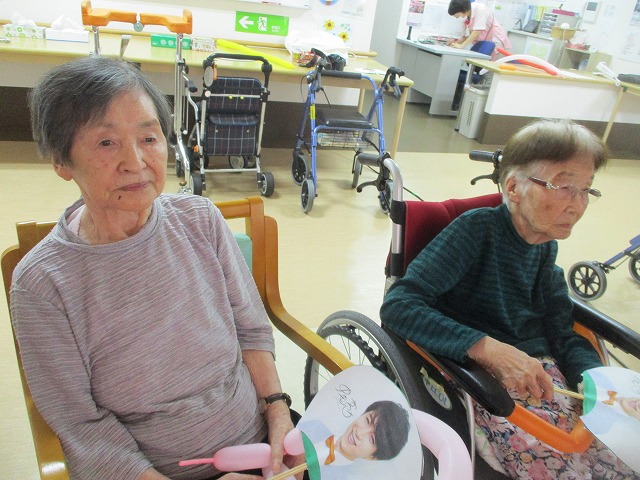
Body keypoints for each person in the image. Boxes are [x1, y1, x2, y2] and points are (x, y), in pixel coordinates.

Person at [11, 55, 300, 480]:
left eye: (149, 138)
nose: (136, 162)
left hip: (263, 448)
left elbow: (251, 331)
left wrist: (279, 417)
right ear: (60, 160)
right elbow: (80, 424)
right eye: (106, 143)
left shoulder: (200, 219)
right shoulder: (42, 284)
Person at [380, 119, 639, 479]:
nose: (577, 206)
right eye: (565, 187)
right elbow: (399, 305)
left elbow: (563, 333)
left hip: (539, 372)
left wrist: (595, 384)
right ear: (514, 187)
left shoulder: (544, 247)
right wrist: (490, 349)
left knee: (620, 452)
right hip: (475, 374)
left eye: (586, 190)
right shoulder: (475, 231)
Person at [298, 401, 410, 479]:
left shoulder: (338, 478)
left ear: (372, 457)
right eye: (367, 420)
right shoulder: (315, 426)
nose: (359, 433)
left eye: (372, 439)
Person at [446, 0, 511, 58]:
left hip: (494, 38)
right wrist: (454, 43)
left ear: (464, 11)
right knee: (479, 63)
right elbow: (465, 36)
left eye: (458, 16)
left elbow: (477, 31)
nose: (458, 18)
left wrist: (462, 46)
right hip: (482, 40)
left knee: (491, 64)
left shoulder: (481, 8)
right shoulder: (465, 17)